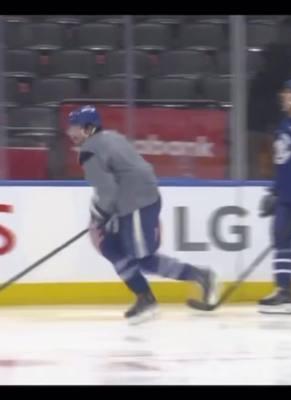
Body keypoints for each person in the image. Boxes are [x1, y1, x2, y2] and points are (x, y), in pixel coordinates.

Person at [66, 105, 217, 324]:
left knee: (141, 258)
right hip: (134, 201)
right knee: (113, 248)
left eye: (76, 127)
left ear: (89, 128)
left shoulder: (89, 151)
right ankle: (150, 294)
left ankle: (187, 282)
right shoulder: (111, 137)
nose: (71, 132)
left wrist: (99, 215)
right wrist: (104, 213)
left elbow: (107, 191)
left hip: (135, 203)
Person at [259, 79, 291, 314]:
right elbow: (281, 163)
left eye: (288, 93)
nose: (284, 97)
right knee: (281, 240)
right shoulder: (283, 125)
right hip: (285, 197)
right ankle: (284, 292)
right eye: (283, 92)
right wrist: (274, 190)